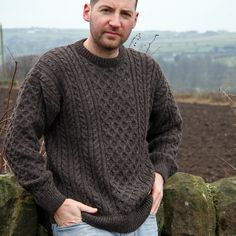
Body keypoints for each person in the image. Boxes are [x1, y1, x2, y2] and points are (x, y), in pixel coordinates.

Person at [4, 0, 182, 235]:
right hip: (80, 223)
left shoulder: (147, 69)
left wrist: (160, 172)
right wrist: (55, 201)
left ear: (135, 20)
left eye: (125, 14)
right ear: (87, 12)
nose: (115, 22)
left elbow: (169, 127)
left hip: (142, 219)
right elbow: (18, 141)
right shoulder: (55, 68)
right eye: (107, 10)